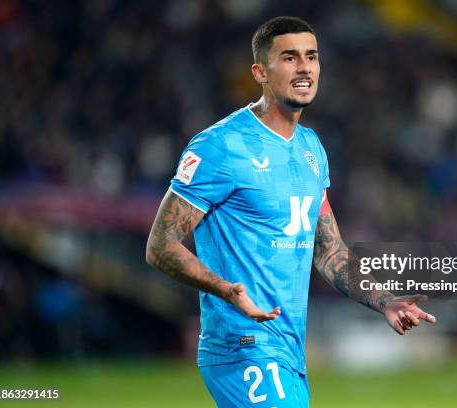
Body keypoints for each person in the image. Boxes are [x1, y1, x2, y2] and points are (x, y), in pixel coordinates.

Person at [146, 16, 436, 407]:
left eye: (311, 57)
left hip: (287, 351)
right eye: (289, 57)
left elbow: (329, 251)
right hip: (244, 346)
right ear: (260, 72)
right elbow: (160, 245)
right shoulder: (221, 146)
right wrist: (226, 290)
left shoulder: (311, 148)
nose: (304, 67)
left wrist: (385, 300)